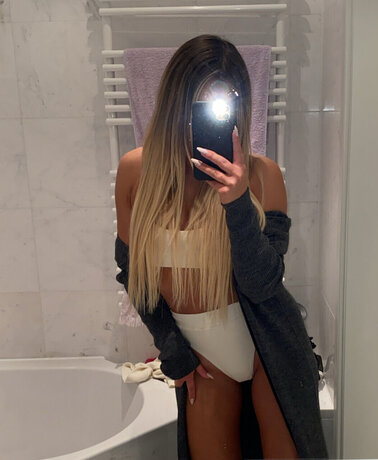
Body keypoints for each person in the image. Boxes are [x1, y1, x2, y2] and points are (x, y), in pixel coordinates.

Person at [114, 34, 329, 460]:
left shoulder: (263, 176)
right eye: (195, 106)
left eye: (226, 105)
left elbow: (263, 284)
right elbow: (132, 272)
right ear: (175, 105)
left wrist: (237, 202)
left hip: (270, 350)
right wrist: (171, 346)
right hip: (203, 356)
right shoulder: (137, 172)